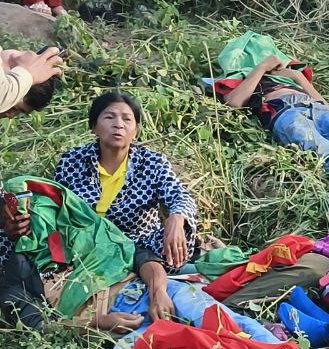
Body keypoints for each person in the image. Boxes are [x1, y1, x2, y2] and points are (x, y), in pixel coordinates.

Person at [1, 90, 199, 322]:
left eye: (127, 119)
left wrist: (176, 218)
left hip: (135, 244)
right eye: (109, 117)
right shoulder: (73, 161)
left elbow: (179, 195)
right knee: (10, 241)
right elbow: (60, 211)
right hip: (85, 245)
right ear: (94, 127)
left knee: (175, 243)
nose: (118, 124)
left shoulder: (152, 163)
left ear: (135, 131)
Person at [219, 54, 329, 204]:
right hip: (284, 111)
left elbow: (325, 105)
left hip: (317, 108)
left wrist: (297, 77)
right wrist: (261, 68)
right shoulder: (244, 79)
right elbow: (234, 103)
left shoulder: (288, 78)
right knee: (313, 142)